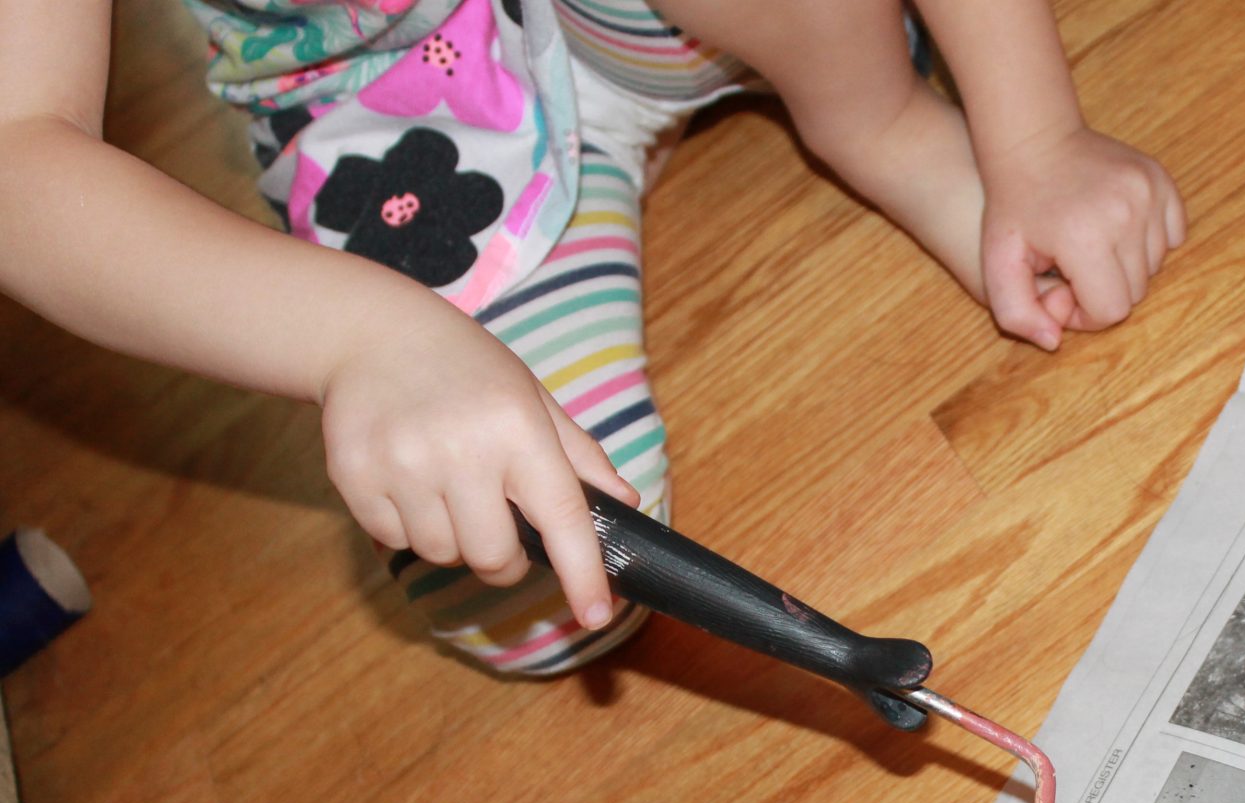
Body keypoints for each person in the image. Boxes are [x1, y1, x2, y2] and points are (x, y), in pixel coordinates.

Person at [0, 0, 1184, 674]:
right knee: (537, 588)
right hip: (395, 101)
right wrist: (360, 342)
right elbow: (17, 156)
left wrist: (1032, 132)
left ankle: (874, 118)